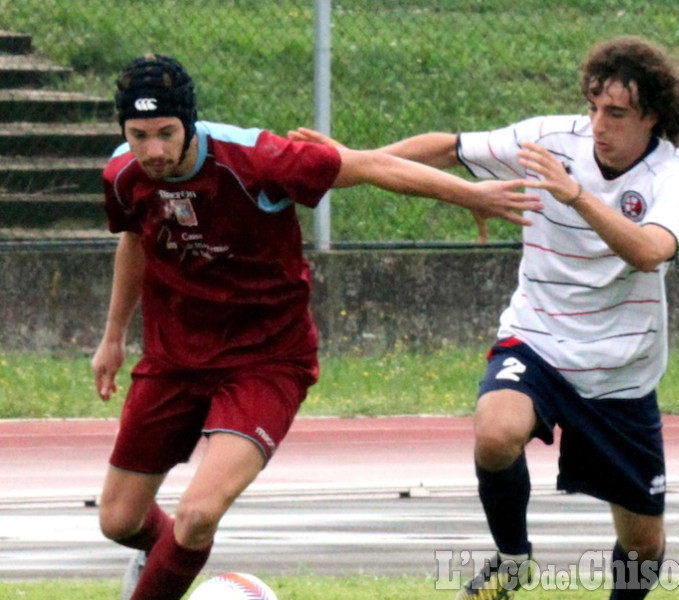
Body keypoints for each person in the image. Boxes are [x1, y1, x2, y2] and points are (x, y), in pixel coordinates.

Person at [90, 53, 541, 600]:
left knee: (197, 514)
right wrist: (113, 335)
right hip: (173, 359)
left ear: (190, 122)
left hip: (265, 360)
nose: (154, 150)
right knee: (118, 520)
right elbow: (135, 240)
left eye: (166, 132)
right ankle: (162, 562)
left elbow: (373, 166)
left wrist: (471, 194)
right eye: (139, 135)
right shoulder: (122, 173)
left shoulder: (257, 158)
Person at [291, 35, 679, 599]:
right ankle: (513, 560)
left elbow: (649, 250)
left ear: (651, 116)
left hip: (621, 368)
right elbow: (449, 148)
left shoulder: (676, 174)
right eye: (593, 107)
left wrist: (578, 196)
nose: (598, 123)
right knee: (495, 432)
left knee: (643, 546)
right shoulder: (548, 139)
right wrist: (356, 161)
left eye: (617, 112)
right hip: (537, 338)